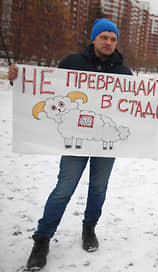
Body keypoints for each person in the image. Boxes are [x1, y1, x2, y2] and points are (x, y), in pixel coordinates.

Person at [8, 18, 133, 271]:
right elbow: (44, 91)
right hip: (73, 144)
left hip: (104, 144)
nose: (109, 42)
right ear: (94, 39)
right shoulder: (71, 63)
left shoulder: (123, 73)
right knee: (64, 188)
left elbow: (138, 104)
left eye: (113, 39)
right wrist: (17, 80)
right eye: (104, 37)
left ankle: (89, 228)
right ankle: (42, 239)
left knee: (99, 188)